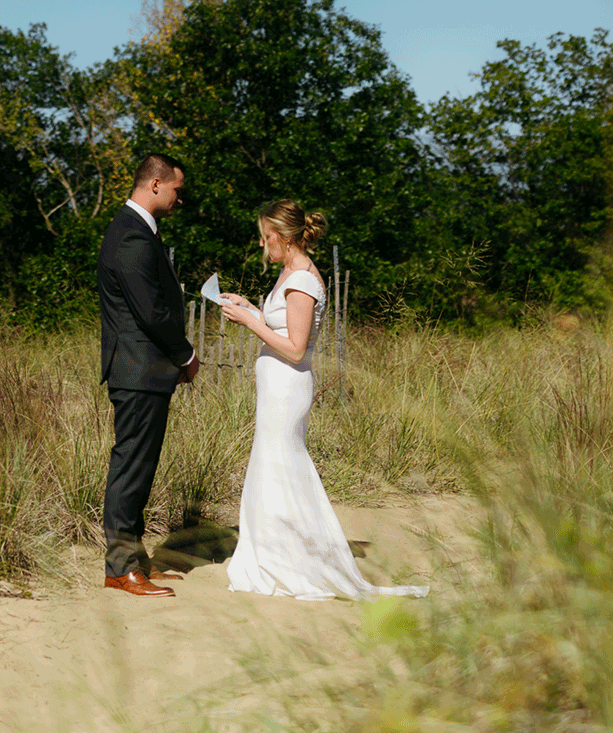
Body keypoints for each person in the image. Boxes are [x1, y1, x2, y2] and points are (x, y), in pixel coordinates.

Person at [220, 200, 428, 600]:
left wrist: (250, 323)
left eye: (266, 238)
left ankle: (290, 558)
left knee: (282, 462)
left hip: (287, 385)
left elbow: (296, 349)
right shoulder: (289, 273)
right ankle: (276, 550)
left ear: (282, 237)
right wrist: (250, 309)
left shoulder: (302, 280)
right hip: (276, 385)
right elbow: (281, 326)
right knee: (273, 464)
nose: (263, 246)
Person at [97, 154, 201, 597]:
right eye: (178, 190)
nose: (181, 199)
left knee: (140, 468)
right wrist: (186, 355)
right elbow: (152, 312)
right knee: (130, 469)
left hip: (145, 370)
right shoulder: (132, 237)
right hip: (138, 371)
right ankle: (121, 569)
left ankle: (136, 561)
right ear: (155, 184)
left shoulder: (137, 230)